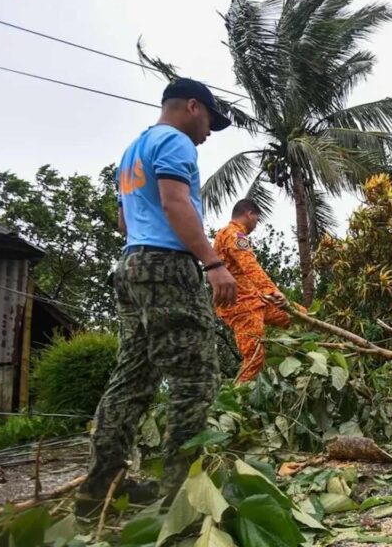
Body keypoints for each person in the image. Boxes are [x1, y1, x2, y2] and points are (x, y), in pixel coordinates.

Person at [77, 79, 236, 514]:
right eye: (209, 121)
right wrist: (212, 262)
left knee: (133, 377)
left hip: (131, 266)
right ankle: (182, 495)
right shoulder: (177, 142)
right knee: (195, 377)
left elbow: (125, 221)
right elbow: (175, 202)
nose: (207, 133)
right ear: (191, 106)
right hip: (168, 266)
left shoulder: (133, 151)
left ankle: (99, 489)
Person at [214, 198, 300, 383]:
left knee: (299, 315)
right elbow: (249, 266)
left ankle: (298, 364)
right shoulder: (232, 234)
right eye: (257, 219)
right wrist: (273, 291)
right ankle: (237, 404)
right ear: (249, 214)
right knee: (254, 358)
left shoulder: (232, 235)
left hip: (256, 300)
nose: (256, 224)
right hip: (242, 307)